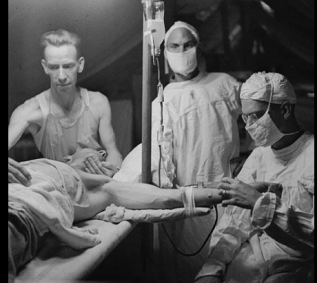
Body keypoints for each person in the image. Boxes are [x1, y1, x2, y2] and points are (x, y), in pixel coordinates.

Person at [8, 147, 225, 282]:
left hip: (25, 210)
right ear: (68, 156)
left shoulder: (99, 188)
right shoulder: (32, 163)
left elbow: (168, 197)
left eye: (104, 158)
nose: (101, 158)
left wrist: (221, 194)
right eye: (97, 151)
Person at [195, 72, 314, 283]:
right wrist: (213, 267)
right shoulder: (260, 155)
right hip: (252, 261)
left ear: (285, 109)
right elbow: (234, 220)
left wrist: (261, 204)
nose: (250, 125)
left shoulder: (311, 155)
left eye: (257, 116)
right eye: (246, 117)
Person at [8, 29, 122, 185]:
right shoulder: (30, 110)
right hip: (59, 187)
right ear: (45, 67)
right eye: (54, 67)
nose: (61, 76)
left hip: (97, 183)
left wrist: (112, 170)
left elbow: (112, 151)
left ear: (80, 64)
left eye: (68, 66)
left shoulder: (98, 102)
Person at [151, 21, 241, 188]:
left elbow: (258, 118)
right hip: (190, 194)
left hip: (230, 188)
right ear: (166, 53)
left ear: (198, 49)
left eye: (188, 45)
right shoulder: (163, 102)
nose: (181, 51)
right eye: (174, 46)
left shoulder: (224, 84)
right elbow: (161, 158)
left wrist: (250, 158)